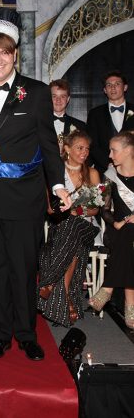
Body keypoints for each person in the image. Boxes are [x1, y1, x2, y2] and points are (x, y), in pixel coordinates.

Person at [0, 15, 71, 361]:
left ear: (14, 55)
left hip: (24, 198)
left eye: (4, 53)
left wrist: (57, 184)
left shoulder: (36, 92)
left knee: (23, 270)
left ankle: (26, 335)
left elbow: (48, 146)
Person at [37, 130, 101, 327]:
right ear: (67, 149)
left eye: (87, 148)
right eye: (80, 148)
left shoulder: (92, 173)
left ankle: (49, 280)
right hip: (62, 227)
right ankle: (65, 298)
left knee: (73, 227)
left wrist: (74, 210)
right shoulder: (55, 173)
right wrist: (67, 213)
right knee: (73, 245)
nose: (84, 152)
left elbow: (94, 209)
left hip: (87, 227)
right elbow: (49, 208)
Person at [88, 131, 134, 329]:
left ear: (129, 151)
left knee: (129, 235)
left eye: (114, 150)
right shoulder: (109, 176)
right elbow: (104, 209)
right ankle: (130, 306)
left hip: (127, 232)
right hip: (117, 229)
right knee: (126, 235)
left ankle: (108, 287)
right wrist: (115, 223)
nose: (109, 155)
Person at [87, 70, 134, 176]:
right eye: (109, 85)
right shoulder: (95, 114)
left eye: (117, 84)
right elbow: (92, 144)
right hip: (104, 171)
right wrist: (109, 164)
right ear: (105, 90)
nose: (113, 87)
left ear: (125, 87)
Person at [50, 79, 86, 154]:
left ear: (68, 99)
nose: (58, 100)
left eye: (62, 96)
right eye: (54, 96)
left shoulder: (80, 126)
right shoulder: (39, 124)